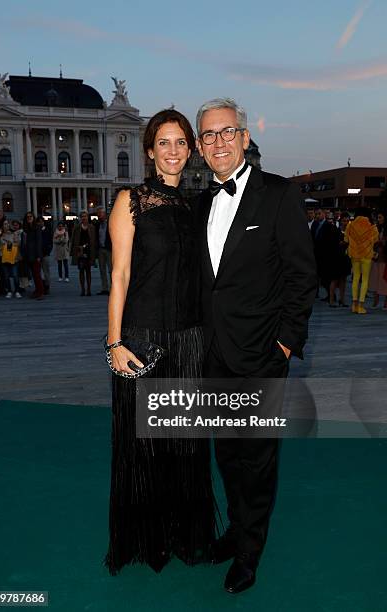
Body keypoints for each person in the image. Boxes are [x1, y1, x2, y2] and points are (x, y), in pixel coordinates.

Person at [195, 98, 317, 594]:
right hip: (213, 355)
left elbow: (301, 276)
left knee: (258, 458)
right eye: (209, 135)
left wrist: (285, 344)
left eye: (228, 132)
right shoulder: (201, 203)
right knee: (226, 454)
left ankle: (250, 551)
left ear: (245, 138)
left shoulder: (280, 195)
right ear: (201, 148)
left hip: (263, 355)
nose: (219, 142)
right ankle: (235, 530)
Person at [104, 109, 215, 575]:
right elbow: (121, 275)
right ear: (149, 151)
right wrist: (114, 343)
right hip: (143, 337)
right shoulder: (130, 200)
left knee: (186, 442)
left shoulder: (197, 206)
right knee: (147, 445)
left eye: (180, 142)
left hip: (190, 338)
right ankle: (149, 539)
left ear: (190, 150)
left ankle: (186, 535)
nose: (172, 150)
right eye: (163, 142)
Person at [344, 207, 379, 314]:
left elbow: (346, 239)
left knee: (355, 278)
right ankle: (361, 305)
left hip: (354, 254)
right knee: (365, 280)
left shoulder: (350, 225)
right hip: (367, 255)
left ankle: (354, 305)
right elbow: (376, 240)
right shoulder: (372, 227)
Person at [70, 211, 96, 296]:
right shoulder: (77, 227)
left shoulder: (91, 227)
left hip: (89, 251)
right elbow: (73, 239)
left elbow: (94, 240)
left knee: (88, 271)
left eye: (85, 216)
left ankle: (89, 289)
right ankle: (82, 289)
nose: (84, 218)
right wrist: (72, 251)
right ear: (80, 218)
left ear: (87, 217)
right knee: (81, 270)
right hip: (79, 251)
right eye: (82, 216)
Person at [310, 208, 334, 301]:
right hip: (316, 253)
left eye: (319, 214)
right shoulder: (315, 224)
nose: (317, 215)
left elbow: (330, 241)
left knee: (325, 277)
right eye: (316, 214)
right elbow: (312, 237)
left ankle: (330, 295)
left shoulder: (328, 225)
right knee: (315, 275)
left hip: (325, 254)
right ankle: (315, 293)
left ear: (324, 214)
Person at [21, 211, 44, 300]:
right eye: (27, 217)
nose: (29, 218)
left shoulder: (37, 227)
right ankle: (37, 290)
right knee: (34, 275)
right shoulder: (25, 229)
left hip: (35, 255)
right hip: (28, 255)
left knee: (37, 274)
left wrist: (39, 256)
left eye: (31, 216)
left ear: (33, 218)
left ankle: (40, 292)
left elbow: (39, 242)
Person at [369, 211, 387, 310]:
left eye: (380, 217)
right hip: (377, 257)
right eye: (378, 218)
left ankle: (385, 303)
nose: (378, 219)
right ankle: (375, 302)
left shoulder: (384, 228)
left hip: (384, 257)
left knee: (384, 280)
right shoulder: (376, 228)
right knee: (376, 279)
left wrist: (382, 241)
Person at [0, 220, 22, 298]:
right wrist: (0, 232)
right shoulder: (1, 234)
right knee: (6, 276)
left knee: (15, 275)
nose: (6, 225)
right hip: (4, 257)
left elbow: (18, 243)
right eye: (4, 224)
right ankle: (9, 291)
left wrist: (10, 243)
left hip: (14, 257)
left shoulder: (14, 233)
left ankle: (17, 291)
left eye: (7, 224)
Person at [95, 207, 112, 295]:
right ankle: (104, 288)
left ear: (104, 214)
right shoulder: (97, 224)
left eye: (100, 214)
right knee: (102, 270)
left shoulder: (111, 223)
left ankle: (113, 288)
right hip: (101, 249)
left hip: (109, 249)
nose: (98, 215)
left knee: (111, 270)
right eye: (98, 214)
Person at [36, 216, 53, 295]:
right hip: (37, 255)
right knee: (38, 272)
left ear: (43, 222)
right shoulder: (35, 230)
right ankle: (41, 287)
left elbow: (50, 242)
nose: (40, 223)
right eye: (38, 221)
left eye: (41, 221)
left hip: (45, 254)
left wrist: (48, 251)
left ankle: (47, 287)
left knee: (46, 271)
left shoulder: (47, 230)